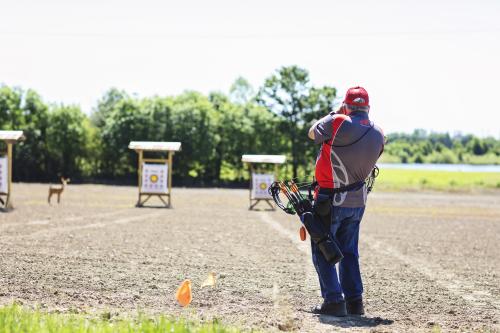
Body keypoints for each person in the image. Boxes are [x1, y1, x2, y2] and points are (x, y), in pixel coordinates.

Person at [307, 86, 384, 316]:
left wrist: (334, 113)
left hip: (330, 200)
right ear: (368, 108)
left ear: (346, 105)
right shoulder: (379, 132)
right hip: (357, 202)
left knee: (322, 248)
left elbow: (312, 133)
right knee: (349, 251)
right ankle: (354, 302)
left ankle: (333, 301)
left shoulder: (338, 120)